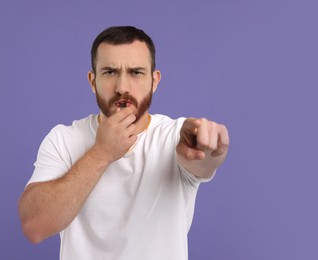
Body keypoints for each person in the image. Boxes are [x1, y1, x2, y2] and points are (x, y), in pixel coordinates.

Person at [18, 26, 229, 260]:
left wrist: (211, 148)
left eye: (136, 72)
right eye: (109, 72)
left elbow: (202, 162)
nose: (122, 88)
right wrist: (101, 153)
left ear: (154, 80)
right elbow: (34, 225)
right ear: (92, 80)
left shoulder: (174, 136)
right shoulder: (63, 139)